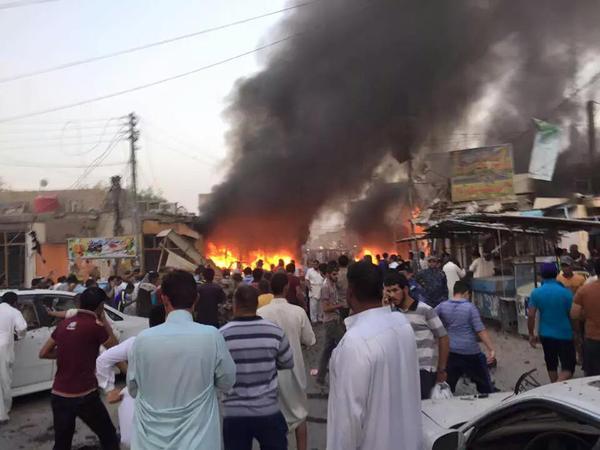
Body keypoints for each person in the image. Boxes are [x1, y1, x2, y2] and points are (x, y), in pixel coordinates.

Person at [127, 270, 236, 449]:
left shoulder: (143, 340)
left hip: (149, 442)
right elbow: (227, 382)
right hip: (200, 441)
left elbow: (133, 389)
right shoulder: (211, 336)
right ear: (196, 299)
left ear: (164, 299)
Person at [327, 261, 420, 450]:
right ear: (381, 290)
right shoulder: (401, 324)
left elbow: (346, 424)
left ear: (350, 292)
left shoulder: (354, 343)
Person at [39, 287, 120, 450]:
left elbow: (43, 353)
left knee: (62, 443)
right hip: (84, 395)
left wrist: (65, 353)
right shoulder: (94, 326)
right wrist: (103, 320)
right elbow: (114, 346)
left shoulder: (64, 324)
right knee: (109, 436)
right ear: (101, 306)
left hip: (59, 394)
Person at [220, 285, 293, 450]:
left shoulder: (221, 335)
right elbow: (287, 362)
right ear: (257, 304)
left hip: (234, 414)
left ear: (234, 304)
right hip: (267, 410)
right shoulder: (274, 331)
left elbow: (217, 372)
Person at [258, 273, 316, 450]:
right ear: (285, 288)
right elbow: (310, 340)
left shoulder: (260, 313)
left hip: (270, 374)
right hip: (295, 371)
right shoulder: (298, 312)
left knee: (273, 419)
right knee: (300, 416)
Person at [96, 305, 166, 448]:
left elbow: (103, 360)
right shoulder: (182, 344)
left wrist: (109, 388)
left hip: (137, 403)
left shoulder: (136, 341)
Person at [384, 272, 449, 400]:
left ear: (406, 289)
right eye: (388, 291)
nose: (392, 295)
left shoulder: (425, 310)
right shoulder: (391, 313)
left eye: (395, 290)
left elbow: (443, 337)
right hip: (402, 369)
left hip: (423, 369)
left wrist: (441, 369)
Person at [435, 281, 496, 394]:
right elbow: (480, 330)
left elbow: (432, 319)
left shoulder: (442, 306)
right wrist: (491, 349)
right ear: (466, 293)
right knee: (484, 385)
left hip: (451, 351)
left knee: (448, 385)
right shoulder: (470, 308)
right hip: (471, 352)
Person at [528, 263, 576, 383]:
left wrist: (531, 334)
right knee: (568, 367)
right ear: (556, 274)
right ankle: (558, 386)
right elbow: (573, 315)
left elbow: (531, 315)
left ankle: (554, 386)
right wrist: (576, 332)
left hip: (546, 334)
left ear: (541, 275)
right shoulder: (566, 293)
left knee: (551, 363)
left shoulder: (536, 293)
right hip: (565, 334)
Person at [0, 292, 27, 422]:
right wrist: (19, 336)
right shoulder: (14, 312)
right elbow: (22, 327)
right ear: (15, 302)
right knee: (4, 380)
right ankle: (2, 414)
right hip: (3, 347)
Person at [316, 263, 345, 386]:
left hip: (335, 319)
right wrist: (340, 305)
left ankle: (321, 377)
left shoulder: (333, 285)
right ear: (328, 274)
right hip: (331, 322)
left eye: (337, 273)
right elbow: (325, 308)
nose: (336, 276)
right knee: (341, 347)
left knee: (327, 350)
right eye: (334, 274)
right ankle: (338, 376)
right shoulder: (326, 287)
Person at [572, 258, 600, 376]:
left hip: (592, 340)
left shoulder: (584, 290)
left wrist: (578, 333)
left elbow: (574, 315)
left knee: (592, 379)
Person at [336, 255, 350, 321]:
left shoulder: (336, 274)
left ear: (338, 263)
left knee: (342, 322)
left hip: (339, 302)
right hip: (350, 301)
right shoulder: (351, 273)